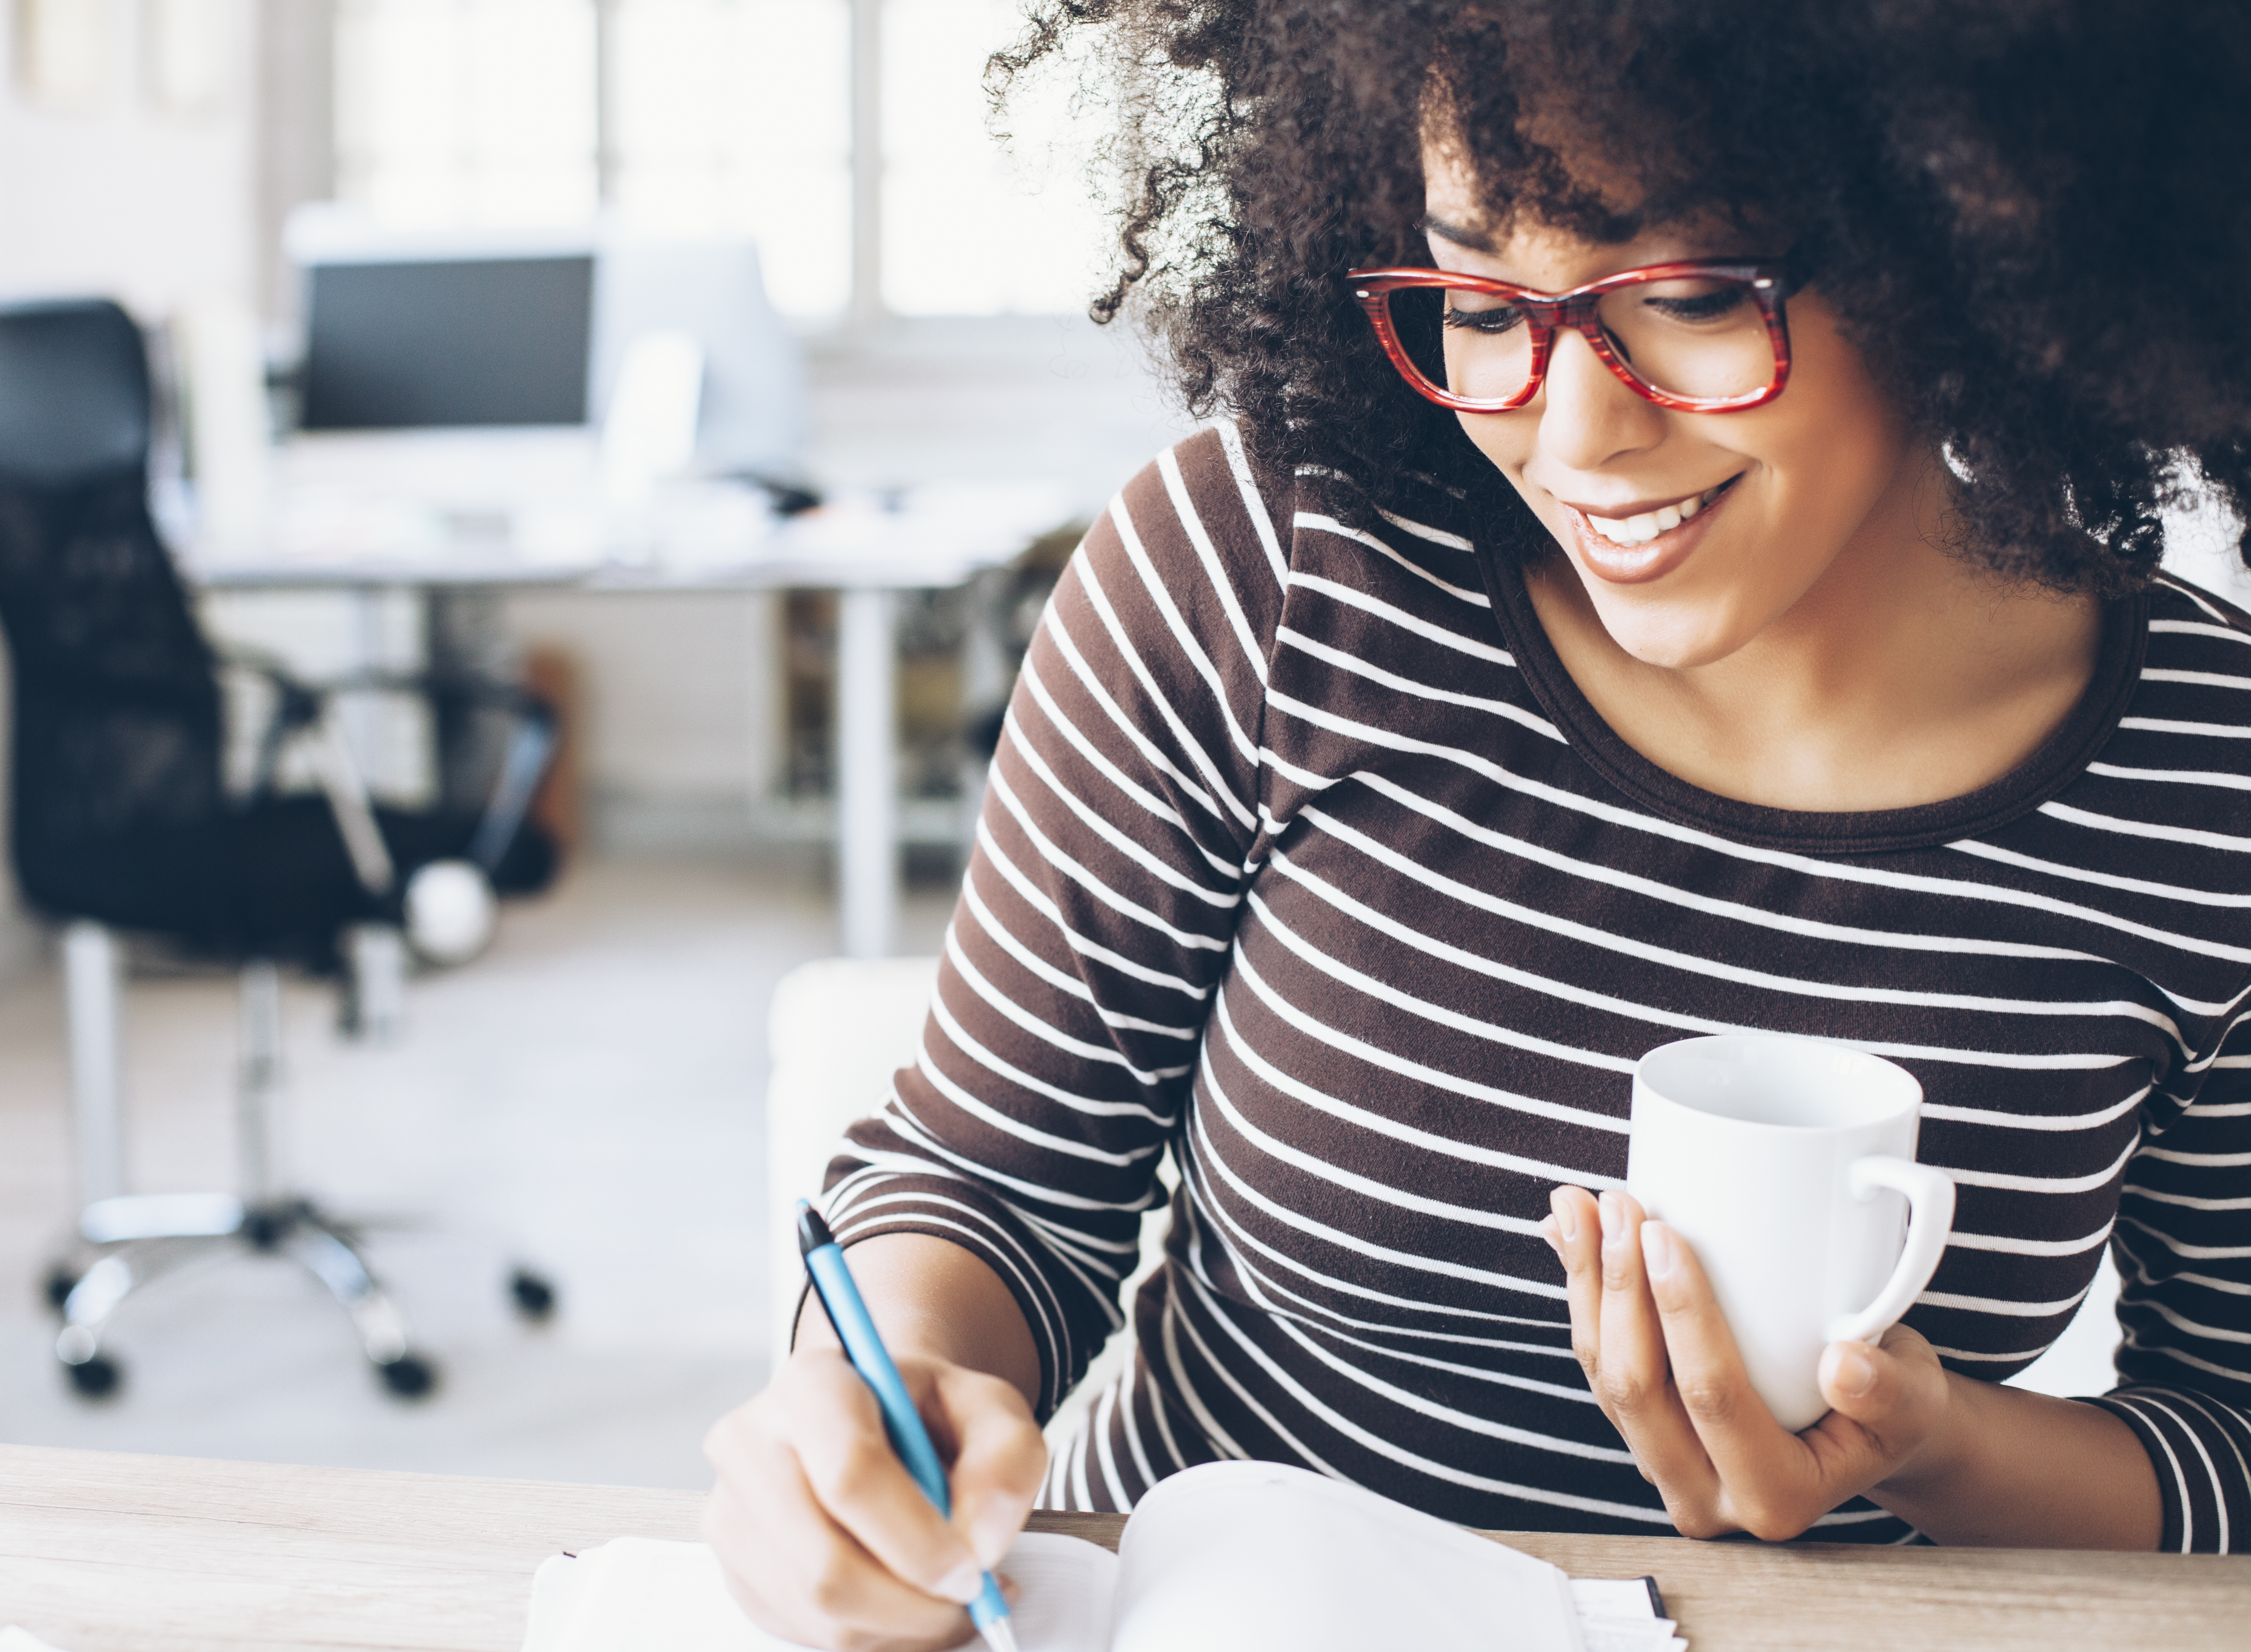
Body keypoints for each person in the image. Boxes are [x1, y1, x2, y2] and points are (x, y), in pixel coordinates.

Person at [703, 3, 2251, 1644]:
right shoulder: (1272, 577)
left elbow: (2231, 1436)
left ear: (1973, 240)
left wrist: (1937, 1451)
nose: (1573, 434)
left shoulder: (2212, 775)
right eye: (1481, 301)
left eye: (1692, 294)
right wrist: (875, 1412)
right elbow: (993, 1184)